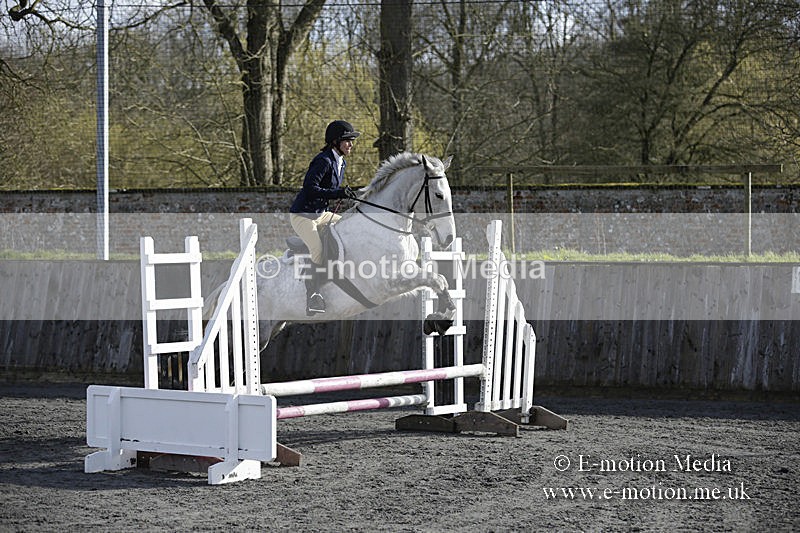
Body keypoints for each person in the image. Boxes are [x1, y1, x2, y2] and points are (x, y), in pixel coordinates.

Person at [290, 120, 360, 315]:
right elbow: (310, 189)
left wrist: (345, 194)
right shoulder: (324, 160)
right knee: (318, 251)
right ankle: (313, 296)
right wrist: (337, 193)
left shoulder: (341, 162)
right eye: (347, 141)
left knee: (350, 226)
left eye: (351, 141)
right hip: (303, 216)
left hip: (321, 214)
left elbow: (329, 191)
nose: (351, 145)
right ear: (335, 141)